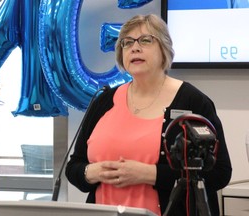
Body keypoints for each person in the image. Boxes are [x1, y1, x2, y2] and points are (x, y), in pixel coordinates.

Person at [65, 14, 232, 216]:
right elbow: (74, 166)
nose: (135, 48)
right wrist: (91, 172)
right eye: (127, 43)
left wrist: (150, 174)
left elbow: (219, 173)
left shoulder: (193, 102)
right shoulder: (103, 101)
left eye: (145, 40)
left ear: (164, 49)